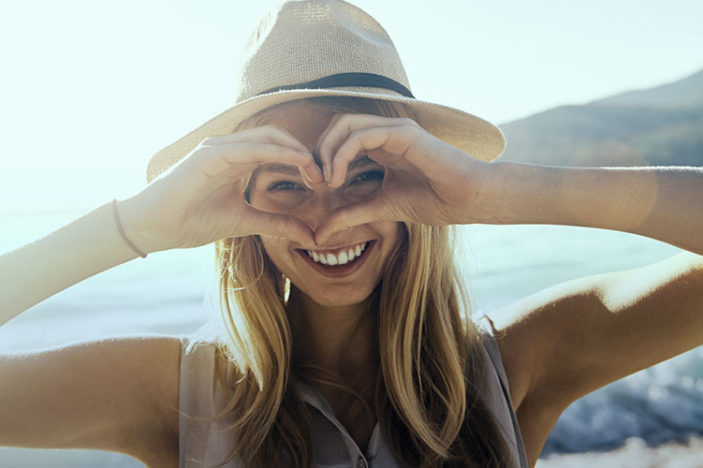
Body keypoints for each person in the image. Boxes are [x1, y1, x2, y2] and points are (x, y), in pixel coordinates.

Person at [1, 1, 701, 467]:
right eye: (284, 181)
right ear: (238, 212)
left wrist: (491, 191)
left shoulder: (513, 363)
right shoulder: (177, 392)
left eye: (366, 174)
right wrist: (137, 225)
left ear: (420, 184)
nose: (327, 217)